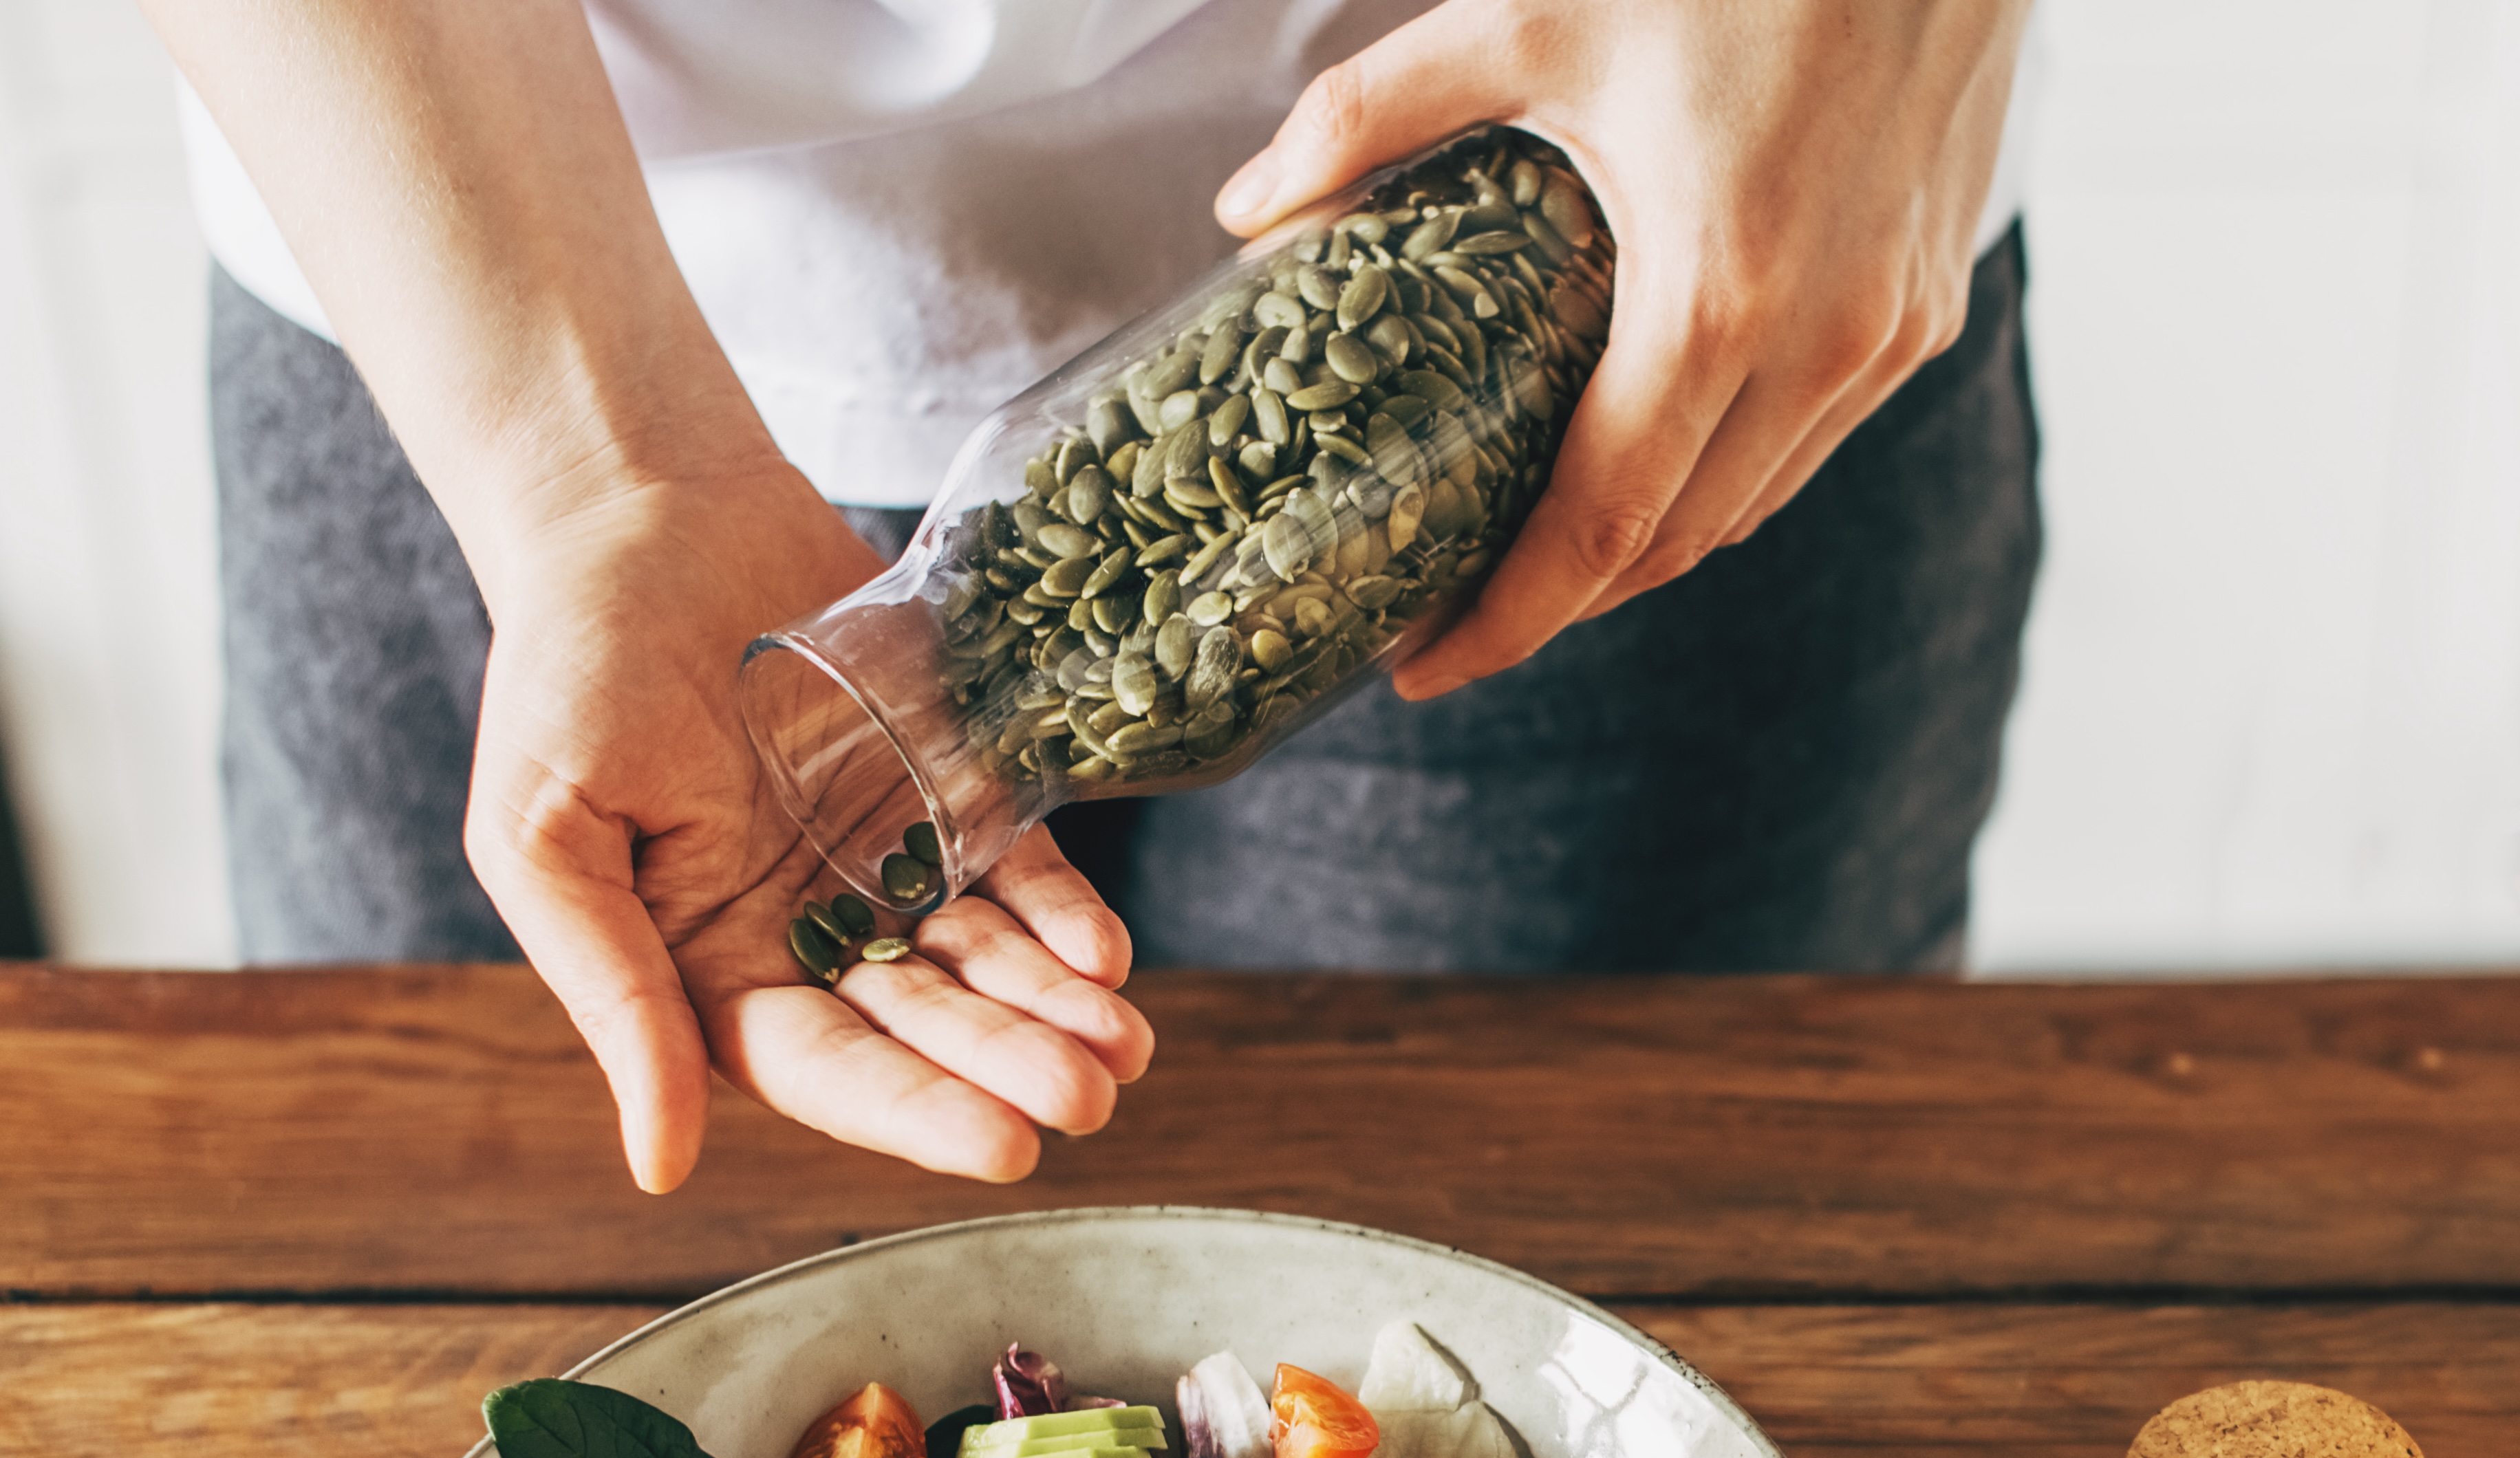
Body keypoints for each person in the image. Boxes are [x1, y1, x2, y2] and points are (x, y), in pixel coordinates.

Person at [155, 0, 2040, 1193]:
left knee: (1627, 1350)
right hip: (458, 234)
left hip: (1653, 215)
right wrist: (590, 472)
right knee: (527, 1371)